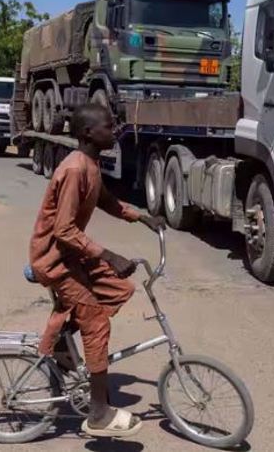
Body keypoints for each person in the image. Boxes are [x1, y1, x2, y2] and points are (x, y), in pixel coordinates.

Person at [29, 103, 164, 438]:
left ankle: (62, 341)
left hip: (72, 256)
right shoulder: (75, 169)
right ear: (88, 133)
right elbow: (63, 230)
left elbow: (108, 202)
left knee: (121, 288)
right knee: (96, 321)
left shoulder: (89, 165)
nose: (115, 129)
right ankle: (99, 411)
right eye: (108, 125)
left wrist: (143, 217)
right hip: (56, 259)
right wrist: (110, 255)